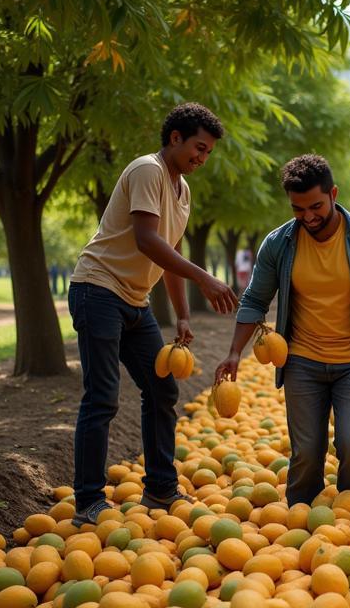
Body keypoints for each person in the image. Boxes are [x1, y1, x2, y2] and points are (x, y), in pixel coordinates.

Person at [214, 155, 350, 506]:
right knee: (305, 453)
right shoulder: (279, 243)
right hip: (302, 361)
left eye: (316, 206)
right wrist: (234, 352)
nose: (309, 217)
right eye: (298, 210)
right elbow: (255, 299)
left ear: (333, 193)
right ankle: (299, 528)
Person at [68, 103, 239, 527]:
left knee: (162, 391)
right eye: (198, 147)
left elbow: (170, 252)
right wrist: (205, 279)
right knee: (103, 395)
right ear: (175, 138)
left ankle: (160, 489)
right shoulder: (148, 170)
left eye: (208, 153)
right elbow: (147, 240)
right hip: (98, 289)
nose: (202, 157)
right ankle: (88, 501)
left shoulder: (183, 191)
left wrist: (182, 316)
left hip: (134, 301)